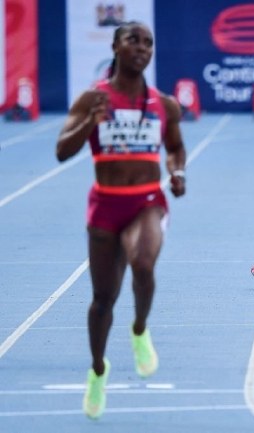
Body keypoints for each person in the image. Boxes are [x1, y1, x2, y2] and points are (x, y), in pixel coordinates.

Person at [55, 21, 186, 420]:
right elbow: (62, 151)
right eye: (133, 40)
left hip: (147, 201)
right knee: (102, 300)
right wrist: (88, 124)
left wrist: (177, 171)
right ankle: (98, 370)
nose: (142, 48)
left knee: (143, 265)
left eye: (148, 42)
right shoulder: (93, 99)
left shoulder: (164, 104)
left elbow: (176, 148)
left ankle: (140, 329)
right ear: (115, 46)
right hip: (105, 205)